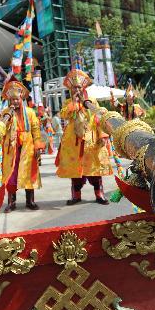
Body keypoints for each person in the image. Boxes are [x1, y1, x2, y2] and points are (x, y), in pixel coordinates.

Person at [56, 67, 113, 206]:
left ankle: (99, 193)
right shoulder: (67, 103)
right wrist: (74, 103)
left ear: (83, 87)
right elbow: (63, 115)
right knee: (76, 172)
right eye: (74, 88)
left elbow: (99, 119)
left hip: (91, 139)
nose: (77, 90)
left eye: (79, 87)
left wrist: (103, 134)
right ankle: (76, 195)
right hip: (73, 142)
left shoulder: (92, 100)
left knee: (94, 168)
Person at [1, 76, 45, 212]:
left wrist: (38, 145)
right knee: (11, 173)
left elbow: (36, 130)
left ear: (22, 99)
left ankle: (30, 201)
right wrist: (9, 115)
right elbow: (2, 128)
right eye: (12, 99)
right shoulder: (6, 113)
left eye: (17, 99)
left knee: (28, 171)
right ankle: (11, 202)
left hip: (28, 145)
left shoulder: (30, 112)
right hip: (11, 146)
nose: (15, 101)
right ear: (9, 100)